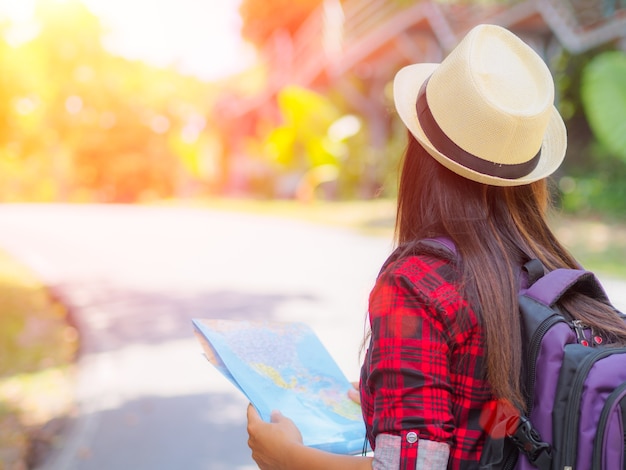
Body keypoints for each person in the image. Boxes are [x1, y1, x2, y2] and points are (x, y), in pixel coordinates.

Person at [246, 23, 626, 469]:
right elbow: (511, 419)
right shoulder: (547, 269)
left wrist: (289, 457)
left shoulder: (417, 284)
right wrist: (406, 394)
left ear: (421, 155)